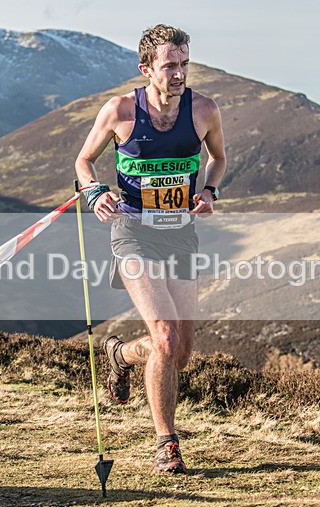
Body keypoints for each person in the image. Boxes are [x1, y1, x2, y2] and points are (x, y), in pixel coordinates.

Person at [74, 24, 226, 474]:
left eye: (184, 64)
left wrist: (210, 191)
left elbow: (217, 158)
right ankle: (167, 442)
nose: (179, 74)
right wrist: (95, 193)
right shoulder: (120, 110)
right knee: (163, 335)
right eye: (169, 66)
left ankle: (119, 355)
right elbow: (84, 161)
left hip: (180, 233)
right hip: (133, 232)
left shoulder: (204, 110)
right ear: (146, 69)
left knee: (179, 353)